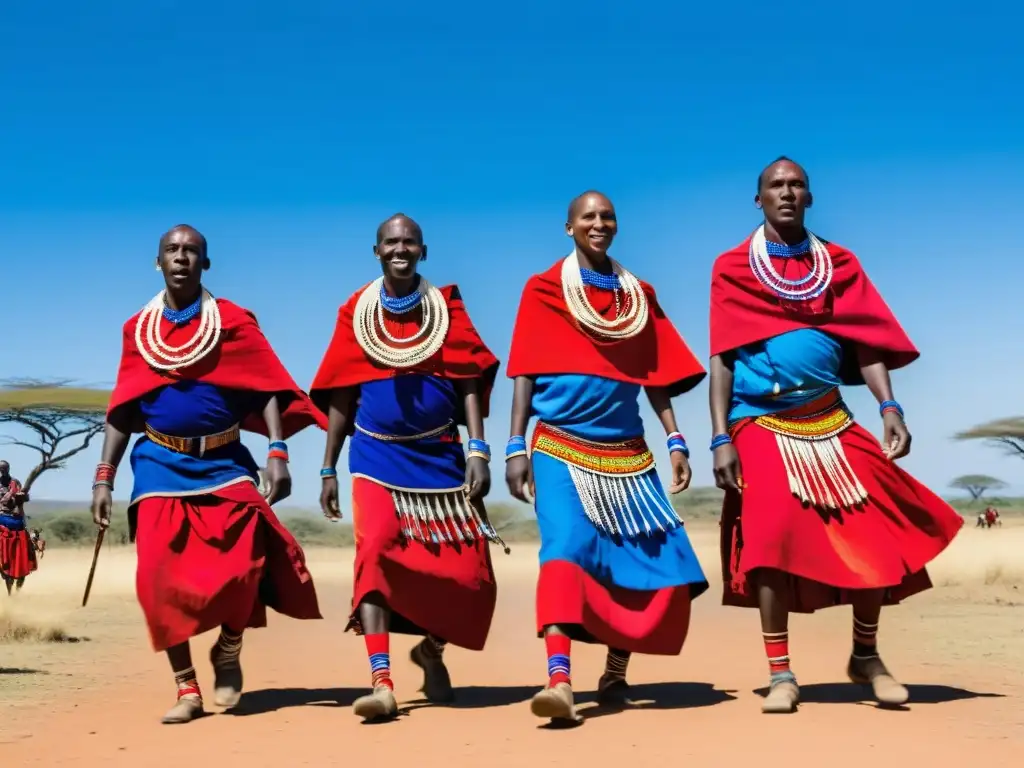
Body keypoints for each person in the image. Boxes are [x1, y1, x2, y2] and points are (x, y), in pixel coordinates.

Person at [709, 158, 964, 714]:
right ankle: (781, 674)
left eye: (796, 184)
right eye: (775, 185)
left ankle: (866, 656)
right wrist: (719, 435)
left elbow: (865, 341)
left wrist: (889, 405)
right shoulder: (732, 267)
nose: (786, 192)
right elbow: (723, 359)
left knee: (871, 526)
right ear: (758, 200)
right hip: (761, 420)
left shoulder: (838, 263)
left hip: (831, 416)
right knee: (770, 536)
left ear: (810, 197)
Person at [91, 224, 325, 724]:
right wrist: (103, 477)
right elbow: (122, 405)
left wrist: (278, 451)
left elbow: (267, 386)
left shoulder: (233, 321)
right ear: (159, 262)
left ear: (206, 263)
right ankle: (187, 689)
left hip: (224, 463)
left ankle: (229, 647)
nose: (182, 258)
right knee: (158, 581)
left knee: (243, 571)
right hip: (159, 465)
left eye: (192, 251)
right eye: (172, 251)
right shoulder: (138, 330)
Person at [505, 191, 709, 724]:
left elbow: (655, 374)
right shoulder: (544, 289)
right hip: (559, 444)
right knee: (566, 547)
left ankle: (616, 672)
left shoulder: (636, 294)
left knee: (653, 557)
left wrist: (676, 439)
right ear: (568, 226)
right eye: (588, 217)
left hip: (627, 451)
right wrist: (512, 444)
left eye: (607, 217)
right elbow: (524, 369)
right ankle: (559, 681)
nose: (599, 223)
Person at [310, 213, 507, 722]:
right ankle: (382, 680)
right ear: (376, 251)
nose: (400, 249)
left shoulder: (447, 308)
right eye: (391, 242)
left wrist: (478, 449)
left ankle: (431, 650)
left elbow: (467, 380)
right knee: (375, 552)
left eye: (409, 242)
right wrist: (329, 467)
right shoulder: (356, 310)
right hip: (375, 455)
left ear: (423, 250)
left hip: (440, 455)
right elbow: (340, 391)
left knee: (466, 573)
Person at [0, 460, 35, 595]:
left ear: (8, 469)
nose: (3, 471)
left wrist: (21, 497)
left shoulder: (16, 483)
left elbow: (26, 498)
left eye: (4, 469)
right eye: (0, 469)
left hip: (17, 520)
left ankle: (17, 592)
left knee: (26, 553)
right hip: (1, 521)